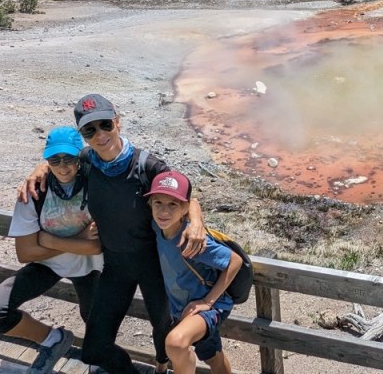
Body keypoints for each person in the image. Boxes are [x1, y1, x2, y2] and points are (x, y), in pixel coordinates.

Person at [19, 94, 207, 374]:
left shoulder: (147, 166)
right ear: (83, 136)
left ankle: (160, 366)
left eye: (105, 124)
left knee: (163, 327)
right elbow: (60, 163)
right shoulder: (86, 161)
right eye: (89, 130)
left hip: (154, 264)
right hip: (115, 265)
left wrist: (197, 220)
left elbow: (184, 196)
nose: (100, 134)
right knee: (94, 348)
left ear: (118, 122)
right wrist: (41, 167)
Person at [0, 126, 102, 374]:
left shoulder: (97, 183)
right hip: (48, 265)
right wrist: (77, 239)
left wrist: (46, 240)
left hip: (91, 266)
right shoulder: (34, 192)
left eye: (69, 158)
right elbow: (25, 254)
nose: (62, 166)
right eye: (54, 159)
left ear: (80, 157)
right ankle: (53, 340)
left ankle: (99, 360)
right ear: (46, 159)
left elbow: (96, 246)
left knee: (96, 318)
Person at [146, 171, 241, 374]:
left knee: (175, 343)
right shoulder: (157, 226)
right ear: (150, 204)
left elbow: (235, 261)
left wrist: (208, 301)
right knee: (212, 355)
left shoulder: (192, 241)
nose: (164, 211)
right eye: (158, 203)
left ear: (185, 208)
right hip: (185, 309)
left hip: (209, 307)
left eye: (173, 204)